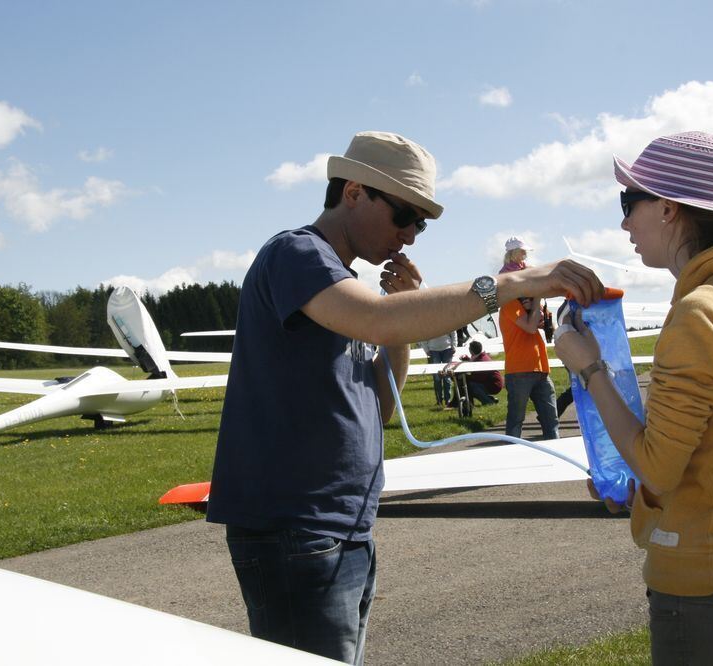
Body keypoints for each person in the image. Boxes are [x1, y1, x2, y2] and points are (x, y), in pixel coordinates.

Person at [206, 130, 604, 664]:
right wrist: (512, 283)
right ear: (353, 193)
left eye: (421, 223)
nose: (412, 236)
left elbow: (382, 402)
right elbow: (375, 319)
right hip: (296, 529)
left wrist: (405, 309)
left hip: (339, 524)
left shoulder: (340, 286)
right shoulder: (296, 255)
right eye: (405, 216)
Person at [553, 131, 713, 664]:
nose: (624, 223)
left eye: (630, 203)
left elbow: (658, 467)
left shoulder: (699, 313)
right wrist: (641, 497)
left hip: (705, 592)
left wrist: (588, 366)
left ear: (668, 209)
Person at [499, 294, 560, 440]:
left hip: (541, 369)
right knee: (516, 419)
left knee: (551, 419)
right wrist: (537, 300)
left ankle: (556, 452)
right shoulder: (509, 303)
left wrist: (536, 307)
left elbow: (551, 328)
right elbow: (531, 328)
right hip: (519, 370)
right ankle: (512, 453)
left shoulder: (533, 305)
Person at [418, 330, 456, 407]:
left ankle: (447, 400)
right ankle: (439, 401)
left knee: (447, 377)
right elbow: (422, 334)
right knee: (437, 377)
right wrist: (426, 349)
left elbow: (453, 332)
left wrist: (454, 345)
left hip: (447, 349)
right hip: (433, 350)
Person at [459, 340, 502, 405]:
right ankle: (489, 398)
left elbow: (478, 378)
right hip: (492, 383)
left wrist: (464, 376)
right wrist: (467, 359)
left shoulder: (481, 361)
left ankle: (488, 402)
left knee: (471, 385)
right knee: (470, 384)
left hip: (494, 385)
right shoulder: (481, 356)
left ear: (471, 350)